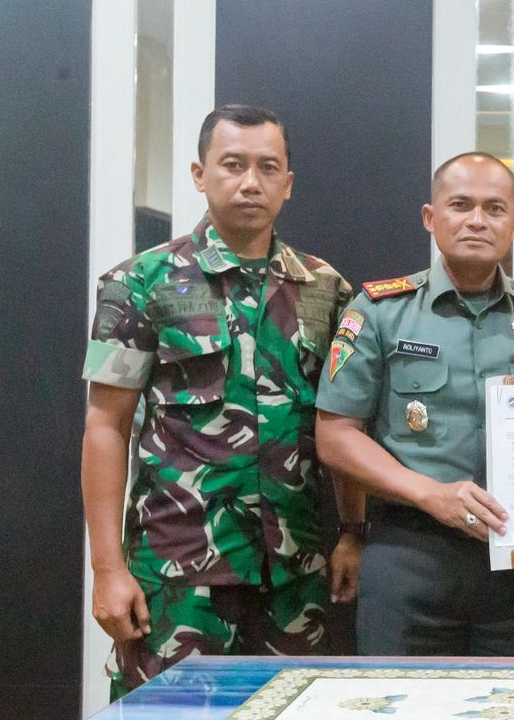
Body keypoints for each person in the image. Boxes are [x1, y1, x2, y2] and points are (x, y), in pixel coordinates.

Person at [80, 105, 356, 699]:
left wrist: (353, 529)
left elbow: (343, 423)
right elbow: (106, 427)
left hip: (295, 570)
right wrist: (107, 569)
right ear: (199, 173)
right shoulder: (139, 283)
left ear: (288, 183)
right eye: (232, 164)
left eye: (267, 167)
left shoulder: (326, 289)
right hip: (179, 564)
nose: (250, 181)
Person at [314, 152, 514, 655]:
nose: (477, 220)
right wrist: (429, 494)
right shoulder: (379, 311)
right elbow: (335, 435)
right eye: (460, 205)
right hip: (409, 554)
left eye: (495, 209)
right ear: (430, 218)